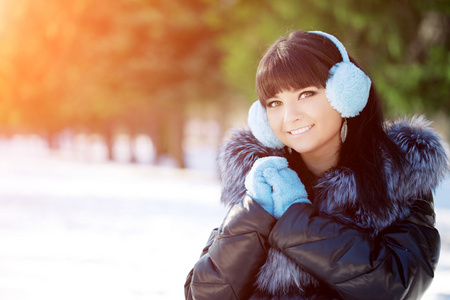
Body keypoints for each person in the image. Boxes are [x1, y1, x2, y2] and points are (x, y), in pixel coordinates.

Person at [184, 30, 449, 299]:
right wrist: (255, 212)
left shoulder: (399, 177)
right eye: (275, 102)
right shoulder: (262, 179)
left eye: (306, 94)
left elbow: (393, 287)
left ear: (345, 94)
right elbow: (203, 295)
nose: (290, 116)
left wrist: (295, 216)